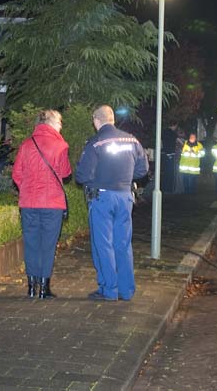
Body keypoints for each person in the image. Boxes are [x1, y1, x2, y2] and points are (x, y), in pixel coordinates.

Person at [75, 105, 148, 301]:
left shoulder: (96, 142)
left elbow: (82, 176)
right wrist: (123, 178)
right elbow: (142, 170)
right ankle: (126, 290)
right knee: (123, 244)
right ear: (112, 119)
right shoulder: (131, 140)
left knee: (103, 244)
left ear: (96, 121)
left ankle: (109, 289)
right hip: (125, 197)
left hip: (102, 198)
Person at [12, 109, 71, 299]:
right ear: (52, 123)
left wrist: (28, 189)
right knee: (48, 245)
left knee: (31, 243)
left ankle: (31, 287)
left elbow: (17, 175)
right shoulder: (60, 145)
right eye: (60, 123)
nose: (61, 126)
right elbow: (66, 172)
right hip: (52, 204)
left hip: (29, 203)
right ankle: (44, 288)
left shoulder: (26, 144)